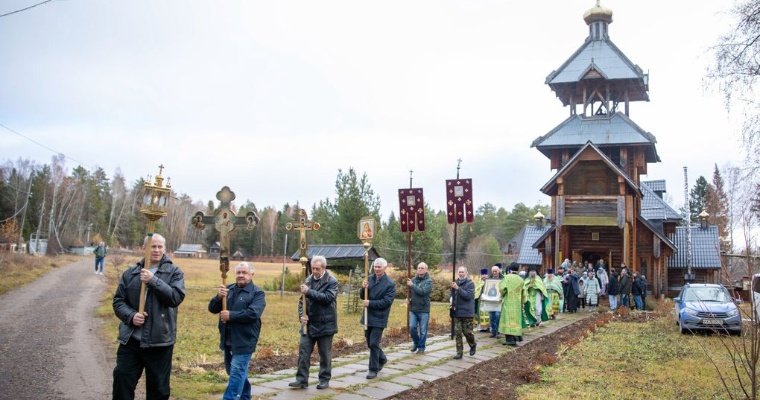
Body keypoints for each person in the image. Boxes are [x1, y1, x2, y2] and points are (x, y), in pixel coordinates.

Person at [112, 234, 185, 400]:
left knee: (158, 390)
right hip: (131, 340)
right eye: (153, 246)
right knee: (122, 382)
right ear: (144, 248)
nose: (157, 250)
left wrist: (153, 280)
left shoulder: (174, 273)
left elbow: (175, 298)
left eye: (160, 247)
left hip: (159, 341)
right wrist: (131, 316)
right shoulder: (131, 273)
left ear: (165, 249)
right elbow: (118, 302)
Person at [209, 262, 266, 400]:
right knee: (235, 371)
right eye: (238, 273)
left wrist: (231, 315)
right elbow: (212, 308)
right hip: (228, 338)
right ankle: (245, 397)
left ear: (252, 274)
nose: (241, 275)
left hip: (245, 339)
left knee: (236, 372)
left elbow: (253, 313)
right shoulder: (228, 290)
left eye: (244, 273)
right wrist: (218, 297)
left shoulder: (257, 293)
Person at [289, 255, 337, 390]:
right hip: (309, 324)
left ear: (324, 268)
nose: (314, 271)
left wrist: (308, 291)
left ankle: (324, 379)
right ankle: (301, 379)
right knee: (304, 352)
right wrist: (302, 315)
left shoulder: (332, 282)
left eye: (317, 269)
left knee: (324, 354)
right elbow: (301, 301)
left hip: (326, 324)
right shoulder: (308, 280)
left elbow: (328, 298)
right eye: (313, 268)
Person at [360, 258, 396, 379]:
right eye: (375, 266)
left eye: (379, 267)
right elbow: (362, 296)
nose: (376, 269)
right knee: (370, 343)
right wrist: (363, 288)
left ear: (385, 268)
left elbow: (386, 302)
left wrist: (370, 303)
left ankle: (373, 369)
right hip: (367, 316)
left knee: (374, 343)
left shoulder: (390, 284)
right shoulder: (369, 279)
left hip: (379, 318)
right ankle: (383, 358)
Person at [450, 266, 476, 359]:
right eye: (459, 272)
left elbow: (468, 296)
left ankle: (472, 345)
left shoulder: (470, 284)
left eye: (462, 272)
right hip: (457, 312)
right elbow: (453, 296)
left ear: (466, 273)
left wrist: (458, 288)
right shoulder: (455, 283)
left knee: (467, 332)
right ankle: (459, 352)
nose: (461, 274)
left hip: (467, 312)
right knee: (457, 332)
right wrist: (451, 304)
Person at [407, 261, 433, 353]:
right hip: (413, 308)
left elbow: (422, 292)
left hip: (423, 309)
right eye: (419, 268)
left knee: (423, 330)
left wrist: (412, 286)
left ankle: (421, 347)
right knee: (412, 327)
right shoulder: (413, 280)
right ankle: (416, 342)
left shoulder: (429, 281)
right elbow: (410, 292)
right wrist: (408, 298)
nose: (420, 269)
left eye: (422, 268)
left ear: (426, 270)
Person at [498, 263, 525, 346]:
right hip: (517, 303)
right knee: (515, 321)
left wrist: (502, 295)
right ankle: (516, 338)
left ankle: (510, 340)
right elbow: (523, 292)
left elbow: (502, 289)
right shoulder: (521, 280)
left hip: (508, 302)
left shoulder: (507, 278)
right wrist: (522, 301)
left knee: (507, 320)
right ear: (518, 269)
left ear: (510, 268)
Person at [483, 265, 504, 337]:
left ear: (499, 271)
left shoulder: (503, 278)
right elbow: (486, 289)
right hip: (490, 301)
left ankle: (498, 331)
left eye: (496, 271)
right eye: (493, 271)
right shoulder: (489, 279)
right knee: (491, 316)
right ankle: (493, 332)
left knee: (497, 316)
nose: (494, 272)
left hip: (499, 301)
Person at [474, 268, 490, 332]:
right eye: (482, 274)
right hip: (480, 300)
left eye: (485, 274)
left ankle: (488, 327)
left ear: (487, 275)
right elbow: (476, 290)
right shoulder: (479, 282)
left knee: (487, 314)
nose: (484, 276)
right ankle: (481, 327)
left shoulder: (489, 282)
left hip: (487, 300)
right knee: (480, 314)